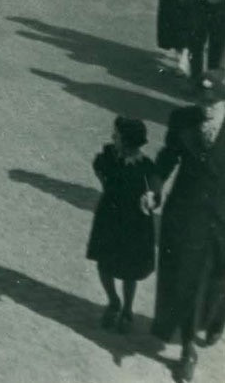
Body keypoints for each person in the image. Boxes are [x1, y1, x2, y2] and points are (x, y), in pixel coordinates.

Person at [143, 70, 225, 381]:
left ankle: (216, 318)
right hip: (188, 213)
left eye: (213, 102)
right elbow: (167, 158)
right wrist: (154, 189)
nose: (206, 107)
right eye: (201, 100)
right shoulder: (182, 120)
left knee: (219, 279)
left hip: (223, 216)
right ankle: (188, 348)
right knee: (188, 279)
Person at [86, 116, 155, 334]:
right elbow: (99, 168)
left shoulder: (145, 166)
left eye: (116, 136)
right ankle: (113, 301)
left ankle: (127, 309)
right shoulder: (109, 157)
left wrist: (151, 199)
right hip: (109, 220)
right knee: (104, 264)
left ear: (127, 141)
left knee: (129, 271)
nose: (112, 138)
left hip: (134, 224)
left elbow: (154, 192)